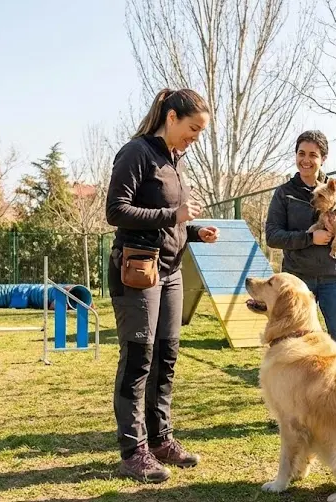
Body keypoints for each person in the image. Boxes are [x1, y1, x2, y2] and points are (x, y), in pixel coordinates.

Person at [105, 87, 219, 484]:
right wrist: (174, 213)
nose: (195, 137)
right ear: (171, 117)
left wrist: (192, 229)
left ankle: (160, 439)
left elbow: (171, 220)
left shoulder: (175, 160)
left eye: (200, 131)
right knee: (138, 359)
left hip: (170, 273)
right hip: (137, 271)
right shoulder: (137, 152)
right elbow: (116, 211)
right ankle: (133, 450)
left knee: (165, 359)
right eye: (193, 128)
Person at [265, 130, 336, 367]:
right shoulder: (284, 193)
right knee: (295, 345)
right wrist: (309, 238)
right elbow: (273, 236)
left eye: (313, 154)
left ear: (323, 158)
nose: (306, 159)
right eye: (301, 153)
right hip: (298, 280)